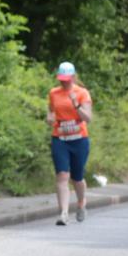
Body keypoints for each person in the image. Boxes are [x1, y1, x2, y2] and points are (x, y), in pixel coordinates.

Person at [46, 62, 93, 225]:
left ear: (73, 77)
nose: (63, 82)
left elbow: (88, 118)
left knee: (77, 177)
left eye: (66, 79)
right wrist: (49, 118)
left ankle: (81, 203)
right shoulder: (54, 93)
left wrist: (76, 104)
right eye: (61, 79)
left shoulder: (82, 93)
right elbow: (51, 111)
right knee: (62, 175)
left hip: (79, 140)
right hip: (60, 139)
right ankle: (63, 213)